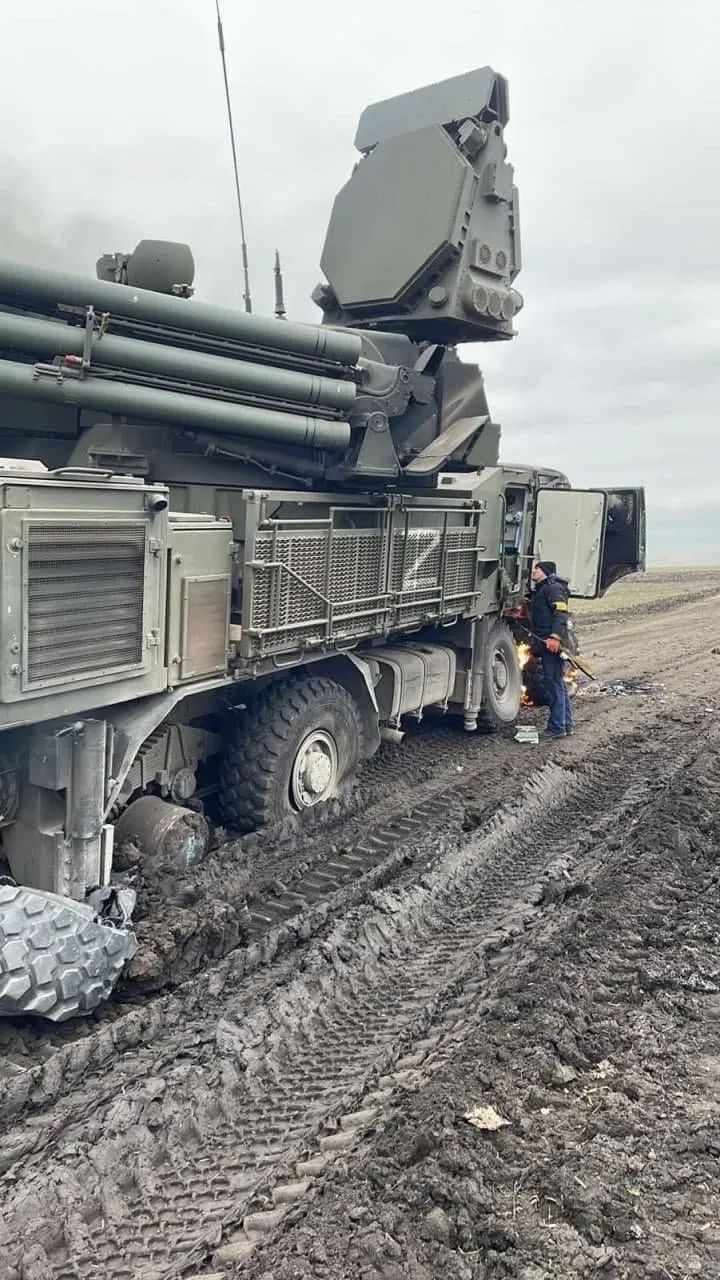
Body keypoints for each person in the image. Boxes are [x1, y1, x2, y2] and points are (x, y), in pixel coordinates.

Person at [530, 560, 574, 739]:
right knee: (559, 685)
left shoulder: (554, 589)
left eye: (537, 569)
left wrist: (555, 637)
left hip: (552, 644)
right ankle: (566, 725)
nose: (533, 571)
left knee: (554, 685)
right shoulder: (543, 589)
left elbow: (561, 614)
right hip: (546, 643)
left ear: (545, 572)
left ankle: (557, 727)